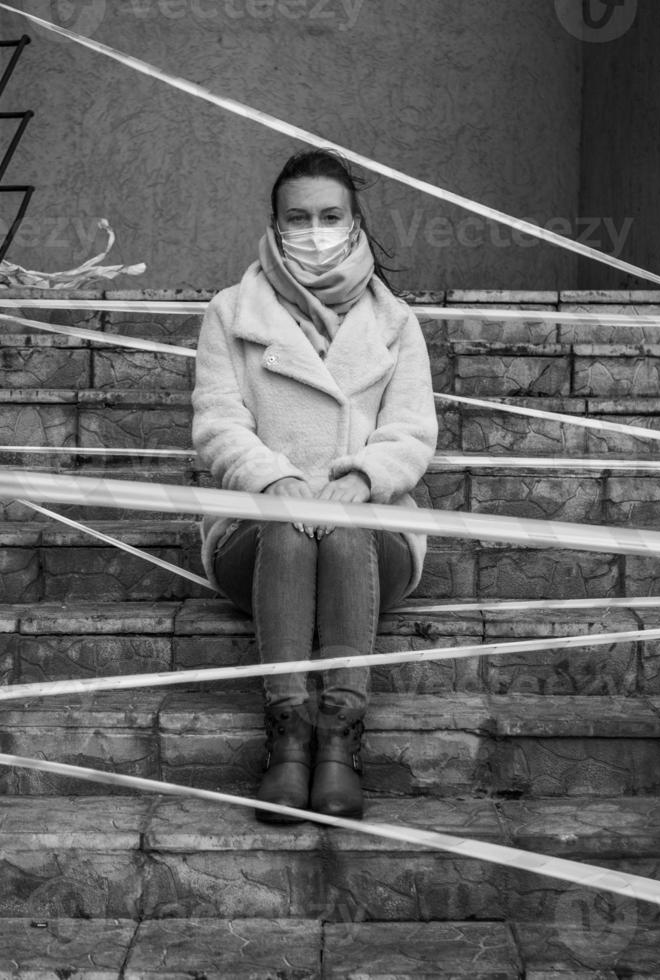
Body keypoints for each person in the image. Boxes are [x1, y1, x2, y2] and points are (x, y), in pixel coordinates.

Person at [190, 147, 438, 823]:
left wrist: (361, 479)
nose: (315, 229)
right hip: (259, 537)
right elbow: (218, 424)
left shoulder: (395, 324)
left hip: (370, 533)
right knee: (292, 536)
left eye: (330, 215)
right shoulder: (230, 312)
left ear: (356, 223)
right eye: (298, 217)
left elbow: (412, 430)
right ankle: (289, 734)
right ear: (273, 224)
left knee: (346, 531)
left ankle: (338, 741)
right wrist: (278, 483)